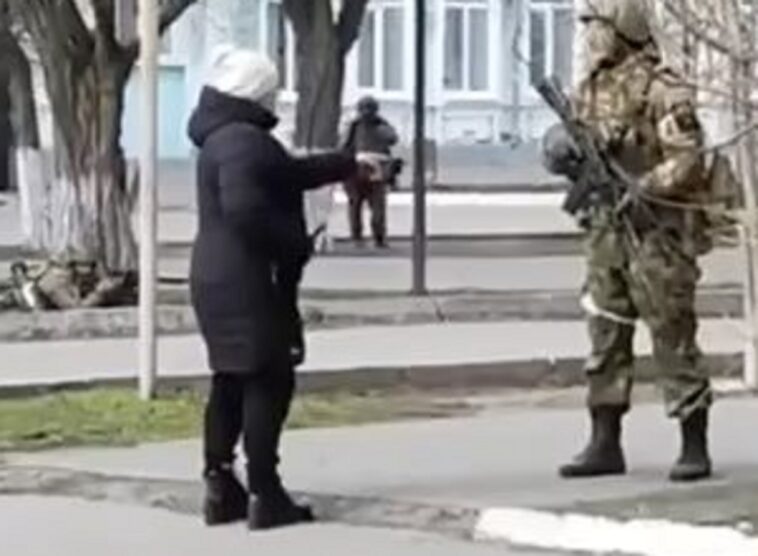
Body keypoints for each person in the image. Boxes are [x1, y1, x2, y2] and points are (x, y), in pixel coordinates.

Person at [187, 48, 364, 530]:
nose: (275, 102)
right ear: (257, 93)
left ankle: (221, 486)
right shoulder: (245, 141)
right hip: (249, 279)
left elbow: (286, 173)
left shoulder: (223, 137)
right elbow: (248, 207)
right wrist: (293, 245)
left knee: (230, 378)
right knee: (269, 378)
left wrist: (347, 163)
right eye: (271, 93)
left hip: (216, 275)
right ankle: (267, 494)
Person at [542, 0, 715, 482]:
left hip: (654, 233)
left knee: (672, 335)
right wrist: (563, 155)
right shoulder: (590, 89)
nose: (591, 36)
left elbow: (688, 160)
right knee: (605, 332)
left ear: (623, 28)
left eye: (597, 25)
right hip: (605, 232)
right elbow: (568, 146)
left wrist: (642, 186)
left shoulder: (663, 90)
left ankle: (693, 442)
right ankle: (604, 442)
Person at [342, 96, 399, 248]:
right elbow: (393, 139)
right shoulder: (380, 124)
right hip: (374, 169)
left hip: (359, 168)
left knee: (357, 205)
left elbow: (344, 147)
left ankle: (358, 237)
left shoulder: (354, 125)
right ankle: (377, 238)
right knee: (375, 205)